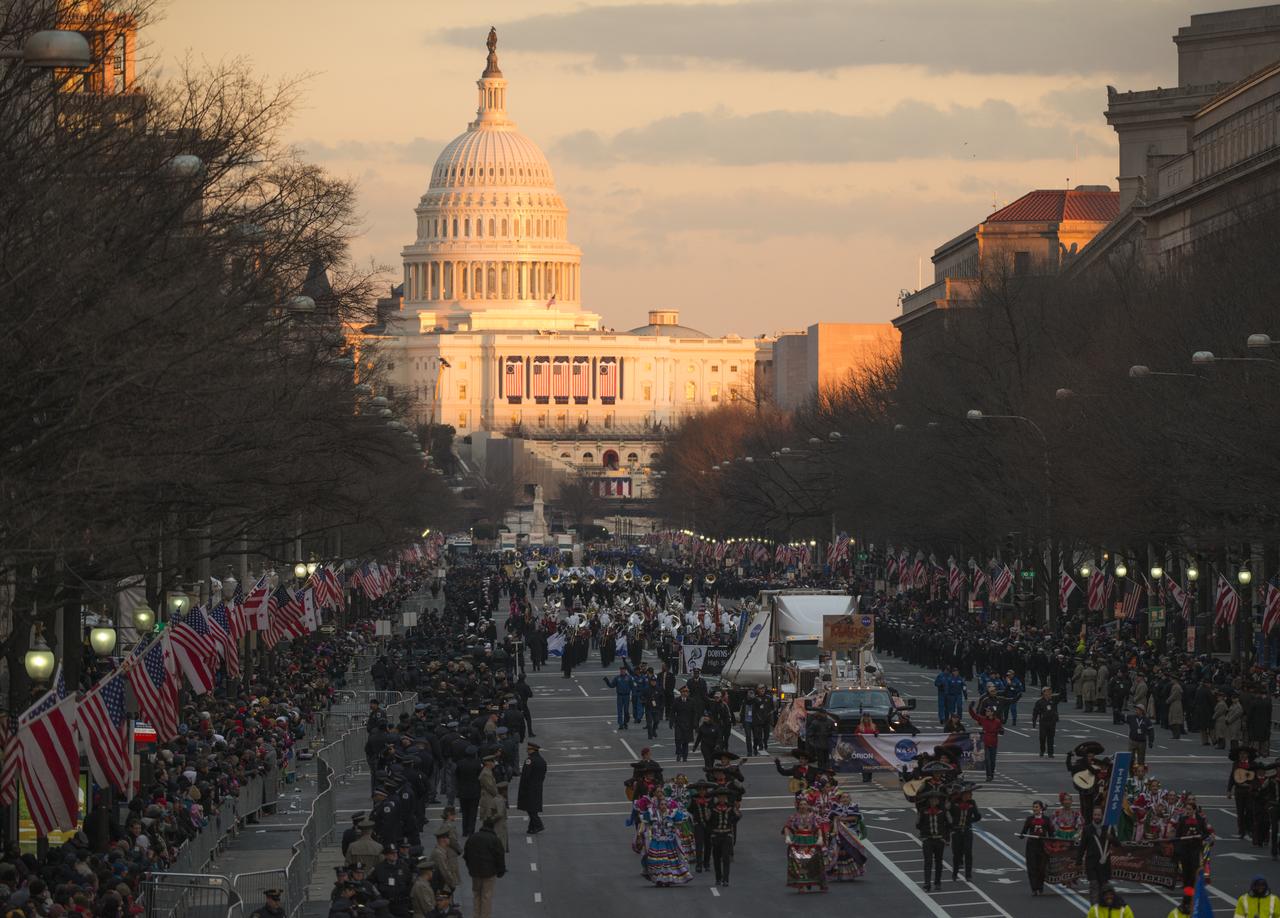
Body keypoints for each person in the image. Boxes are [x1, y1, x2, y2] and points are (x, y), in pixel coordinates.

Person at [462, 817, 506, 918]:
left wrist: (470, 867)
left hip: (475, 872)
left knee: (476, 894)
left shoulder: (472, 837)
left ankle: (476, 915)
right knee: (486, 896)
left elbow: (466, 855)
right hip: (489, 873)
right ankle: (485, 916)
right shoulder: (494, 839)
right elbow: (499, 856)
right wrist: (501, 871)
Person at [783, 795, 827, 892]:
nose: (803, 806)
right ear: (798, 806)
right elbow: (786, 827)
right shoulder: (793, 817)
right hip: (798, 842)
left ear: (808, 806)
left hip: (811, 841)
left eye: (805, 804)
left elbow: (818, 828)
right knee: (799, 862)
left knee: (816, 861)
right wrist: (787, 837)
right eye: (801, 804)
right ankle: (801, 885)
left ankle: (820, 883)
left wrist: (820, 838)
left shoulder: (813, 817)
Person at [1077, 808, 1115, 904]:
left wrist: (1111, 838)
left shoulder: (1108, 828)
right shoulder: (1087, 829)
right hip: (1091, 863)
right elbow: (1082, 846)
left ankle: (1103, 907)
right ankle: (1094, 908)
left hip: (1104, 863)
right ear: (1092, 816)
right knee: (1094, 885)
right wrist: (1078, 860)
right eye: (1095, 815)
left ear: (1102, 816)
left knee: (1104, 887)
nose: (1097, 817)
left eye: (1099, 815)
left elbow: (1118, 844)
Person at [916, 789, 950, 892]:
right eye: (932, 800)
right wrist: (924, 832)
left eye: (936, 800)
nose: (934, 802)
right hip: (928, 840)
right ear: (929, 801)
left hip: (940, 840)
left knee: (939, 862)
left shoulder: (943, 811)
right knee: (928, 862)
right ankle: (927, 883)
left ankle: (937, 882)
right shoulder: (923, 811)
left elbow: (949, 824)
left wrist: (946, 838)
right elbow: (918, 824)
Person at [949, 784, 981, 882]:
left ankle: (968, 875)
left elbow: (978, 816)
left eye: (970, 794)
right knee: (957, 853)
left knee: (968, 853)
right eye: (968, 794)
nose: (970, 796)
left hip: (967, 830)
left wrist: (969, 821)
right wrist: (953, 824)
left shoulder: (972, 803)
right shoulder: (954, 803)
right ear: (963, 795)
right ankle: (955, 873)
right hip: (957, 831)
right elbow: (948, 813)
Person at [708, 787, 740, 887]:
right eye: (720, 797)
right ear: (717, 798)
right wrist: (711, 834)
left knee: (726, 858)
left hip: (727, 835)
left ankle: (726, 879)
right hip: (716, 835)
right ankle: (718, 878)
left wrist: (735, 816)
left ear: (726, 797)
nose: (722, 799)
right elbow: (708, 822)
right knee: (716, 858)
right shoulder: (712, 808)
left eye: (723, 797)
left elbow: (737, 818)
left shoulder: (730, 807)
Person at [1020, 800, 1051, 895]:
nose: (1035, 809)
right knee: (1032, 867)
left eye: (1037, 807)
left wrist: (1052, 842)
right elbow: (1024, 831)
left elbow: (1051, 832)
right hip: (1031, 846)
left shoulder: (1046, 819)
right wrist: (1021, 835)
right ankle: (1034, 888)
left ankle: (1040, 886)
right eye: (1034, 807)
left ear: (1041, 808)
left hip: (1042, 846)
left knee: (1041, 868)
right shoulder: (1029, 819)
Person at [969, 701, 1003, 782]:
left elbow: (1001, 729)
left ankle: (992, 773)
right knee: (987, 759)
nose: (986, 712)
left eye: (988, 711)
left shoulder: (997, 721)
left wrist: (1001, 730)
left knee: (992, 760)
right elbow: (974, 716)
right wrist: (970, 708)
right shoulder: (983, 719)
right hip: (986, 742)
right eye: (986, 711)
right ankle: (989, 775)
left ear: (992, 713)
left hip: (994, 743)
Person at [518, 741, 547, 834]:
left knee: (530, 808)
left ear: (532, 750)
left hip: (529, 787)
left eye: (528, 749)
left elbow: (525, 776)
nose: (527, 751)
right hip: (538, 787)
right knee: (533, 807)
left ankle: (538, 825)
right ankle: (531, 828)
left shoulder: (529, 760)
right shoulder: (542, 761)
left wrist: (522, 788)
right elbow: (543, 775)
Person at [428, 828, 460, 895]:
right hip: (439, 886)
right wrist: (452, 884)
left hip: (441, 883)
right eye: (448, 838)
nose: (449, 840)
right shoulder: (438, 854)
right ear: (443, 840)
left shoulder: (441, 851)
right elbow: (444, 871)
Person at [603, 665, 634, 730]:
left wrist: (632, 696)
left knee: (626, 711)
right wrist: (607, 681)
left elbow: (632, 687)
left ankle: (625, 723)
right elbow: (612, 685)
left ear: (625, 670)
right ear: (620, 670)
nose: (622, 671)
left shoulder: (629, 678)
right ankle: (620, 724)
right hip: (619, 696)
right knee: (619, 710)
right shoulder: (617, 678)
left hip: (627, 696)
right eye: (621, 670)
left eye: (623, 669)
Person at [1032, 687, 1060, 758]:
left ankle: (1050, 753)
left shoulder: (1053, 700)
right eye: (1047, 691)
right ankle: (1042, 750)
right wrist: (1034, 721)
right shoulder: (1039, 702)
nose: (1049, 692)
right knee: (1042, 737)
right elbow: (1035, 712)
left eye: (1050, 691)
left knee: (1051, 738)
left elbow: (1061, 696)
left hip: (1052, 722)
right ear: (1044, 692)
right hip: (1043, 722)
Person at [672, 685, 695, 763]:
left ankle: (685, 756)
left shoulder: (691, 701)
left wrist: (695, 724)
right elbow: (673, 712)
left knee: (685, 741)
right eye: (684, 691)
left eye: (687, 692)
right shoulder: (676, 700)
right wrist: (671, 722)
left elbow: (694, 713)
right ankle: (679, 753)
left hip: (688, 724)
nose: (686, 693)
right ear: (681, 692)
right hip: (678, 723)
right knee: (678, 740)